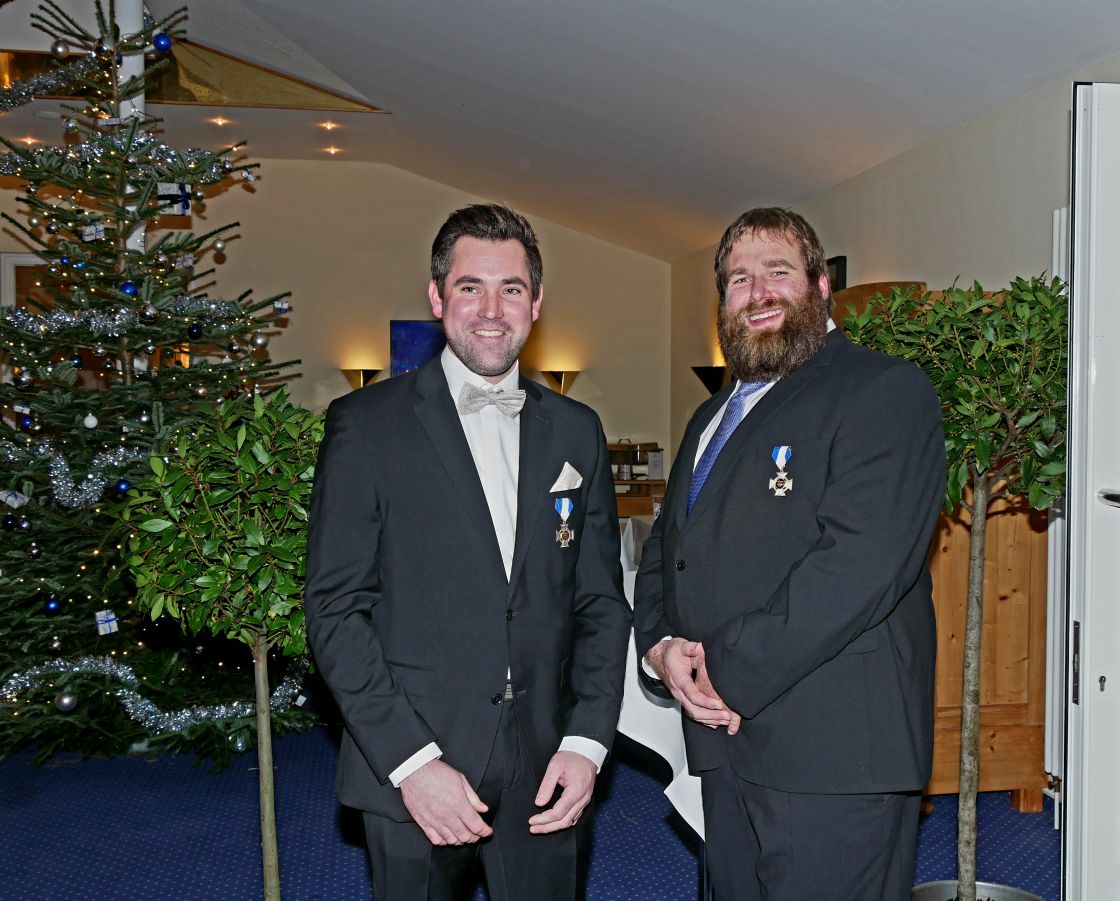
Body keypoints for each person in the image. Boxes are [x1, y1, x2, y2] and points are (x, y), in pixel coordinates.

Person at [306, 203, 630, 901]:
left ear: (535, 303)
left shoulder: (577, 430)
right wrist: (411, 762)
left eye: (511, 288)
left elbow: (601, 603)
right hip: (416, 764)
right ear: (436, 297)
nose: (491, 310)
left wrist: (586, 741)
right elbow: (335, 609)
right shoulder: (365, 425)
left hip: (547, 762)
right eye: (469, 287)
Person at [634, 207, 946, 900]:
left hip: (832, 750)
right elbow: (667, 548)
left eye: (778, 272)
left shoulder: (884, 390)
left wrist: (724, 672)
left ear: (822, 285)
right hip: (723, 739)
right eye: (739, 279)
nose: (758, 292)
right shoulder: (712, 413)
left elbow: (859, 566)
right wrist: (658, 644)